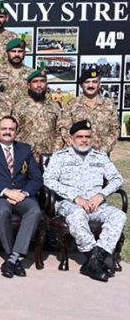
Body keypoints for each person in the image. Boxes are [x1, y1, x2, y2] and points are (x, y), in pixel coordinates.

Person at [43, 120, 125, 282]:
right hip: (69, 204)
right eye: (80, 136)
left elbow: (117, 179)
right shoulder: (60, 157)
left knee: (118, 216)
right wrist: (75, 197)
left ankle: (94, 261)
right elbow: (49, 180)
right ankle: (94, 260)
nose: (84, 140)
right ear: (71, 138)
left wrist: (101, 195)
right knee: (77, 215)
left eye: (87, 136)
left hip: (97, 204)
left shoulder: (100, 157)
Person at [0, 116, 43, 278]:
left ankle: (11, 259)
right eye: (4, 129)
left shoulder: (25, 149)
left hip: (21, 195)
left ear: (16, 132)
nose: (7, 132)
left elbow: (36, 178)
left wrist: (23, 193)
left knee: (34, 210)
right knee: (3, 211)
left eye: (11, 129)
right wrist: (5, 192)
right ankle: (14, 258)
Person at [60, 65, 119, 154]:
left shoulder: (109, 104)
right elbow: (64, 129)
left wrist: (104, 149)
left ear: (99, 84)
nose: (91, 85)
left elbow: (114, 129)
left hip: (101, 155)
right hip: (76, 155)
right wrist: (76, 147)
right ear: (81, 85)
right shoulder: (71, 105)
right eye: (87, 82)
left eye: (94, 82)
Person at [12, 66, 63, 159]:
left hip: (49, 158)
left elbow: (60, 133)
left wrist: (54, 154)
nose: (39, 85)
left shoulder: (55, 106)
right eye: (35, 82)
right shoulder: (19, 107)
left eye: (42, 81)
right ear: (28, 85)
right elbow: (13, 133)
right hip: (25, 158)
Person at [0, 36, 32, 105]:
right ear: (7, 53)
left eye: (20, 51)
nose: (17, 54)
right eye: (13, 51)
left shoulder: (31, 73)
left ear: (24, 53)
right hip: (3, 112)